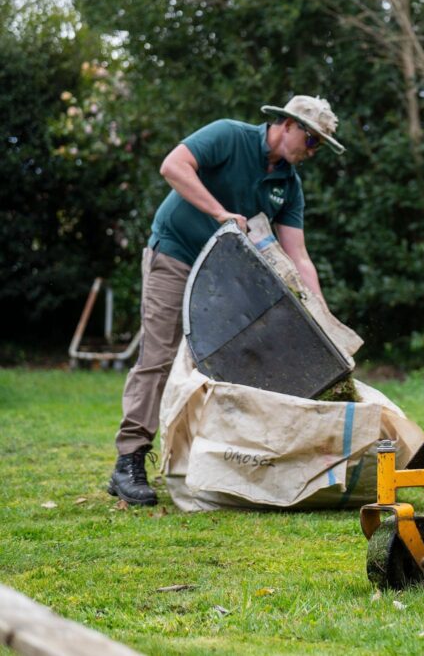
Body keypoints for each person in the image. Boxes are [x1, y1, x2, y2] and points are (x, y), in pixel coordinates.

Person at [107, 95, 346, 506]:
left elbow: (298, 255)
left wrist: (320, 312)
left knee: (229, 363)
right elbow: (173, 166)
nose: (313, 151)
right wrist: (221, 213)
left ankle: (214, 462)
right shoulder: (228, 135)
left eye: (319, 145)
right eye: (311, 140)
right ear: (287, 125)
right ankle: (129, 460)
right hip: (177, 252)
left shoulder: (288, 185)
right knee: (159, 355)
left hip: (226, 274)